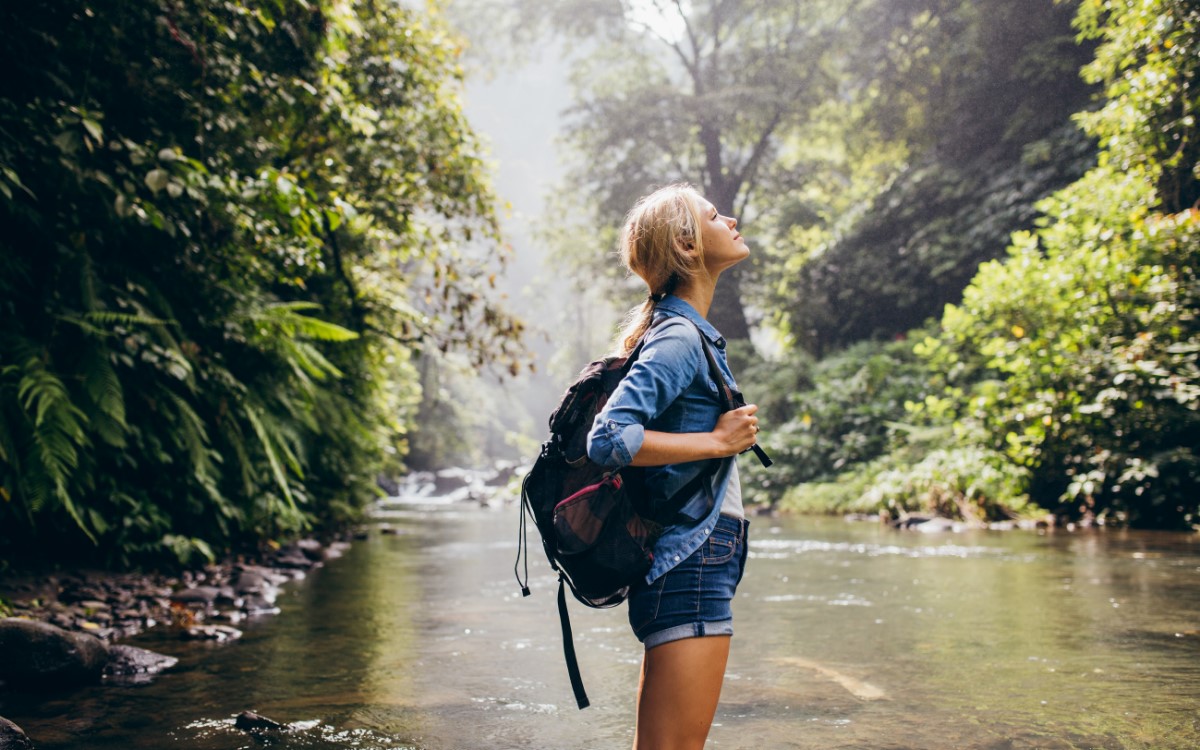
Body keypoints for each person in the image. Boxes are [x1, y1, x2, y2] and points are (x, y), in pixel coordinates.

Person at [586, 183, 760, 750]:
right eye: (715, 216)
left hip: (696, 560)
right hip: (691, 564)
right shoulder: (681, 335)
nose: (730, 219)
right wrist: (716, 442)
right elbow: (608, 439)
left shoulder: (686, 331)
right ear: (687, 244)